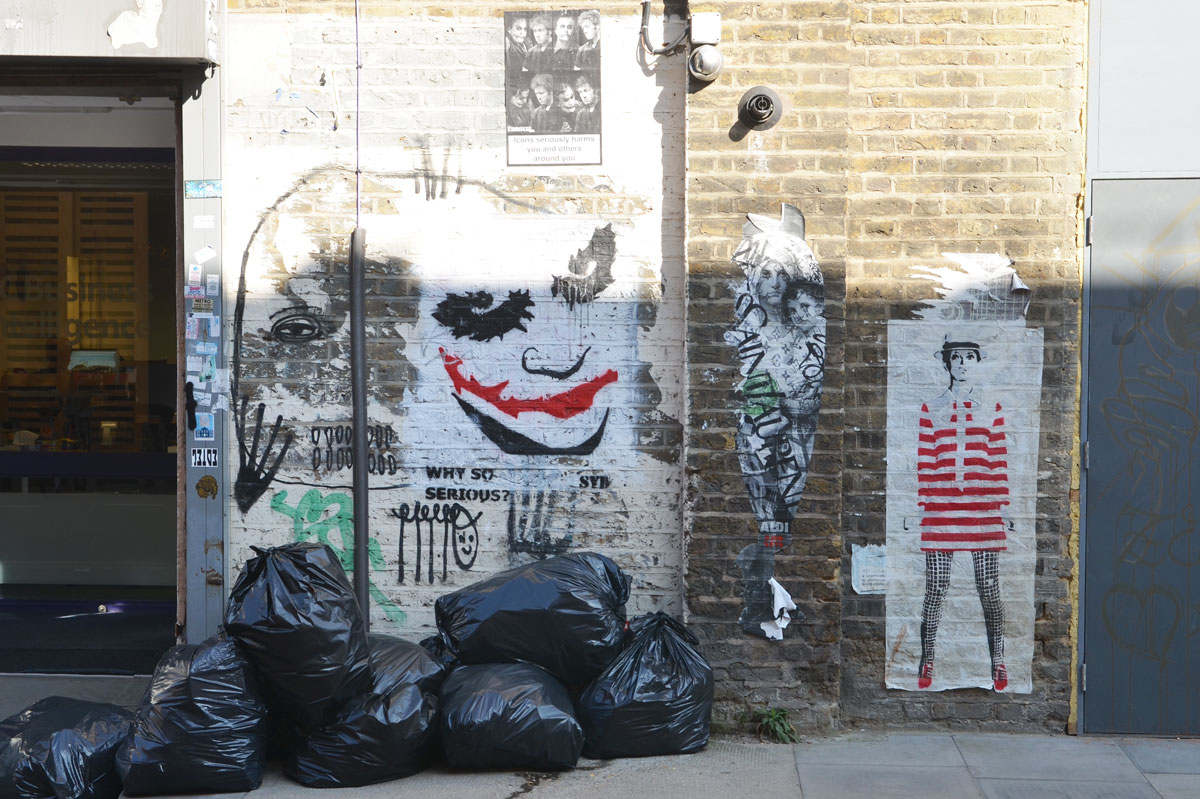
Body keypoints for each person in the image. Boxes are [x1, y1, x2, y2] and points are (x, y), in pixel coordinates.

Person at [916, 338, 1009, 691]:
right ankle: (927, 661)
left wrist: (1001, 502)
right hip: (941, 509)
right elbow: (926, 458)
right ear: (947, 363)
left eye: (970, 358)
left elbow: (998, 457)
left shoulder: (991, 408)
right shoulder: (933, 408)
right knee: (936, 587)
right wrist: (924, 501)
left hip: (982, 509)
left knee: (989, 588)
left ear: (978, 362)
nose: (963, 364)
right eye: (956, 358)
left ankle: (998, 661)